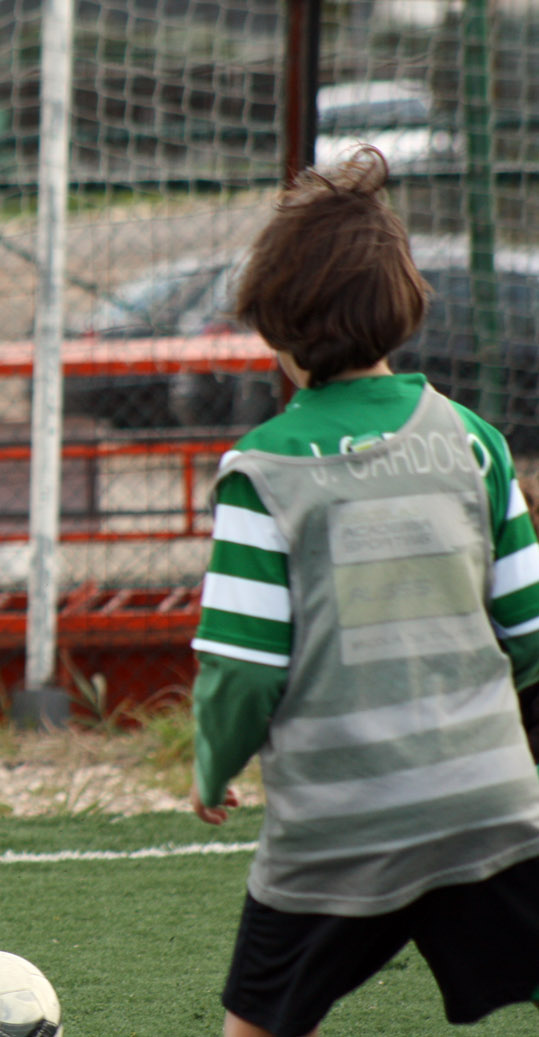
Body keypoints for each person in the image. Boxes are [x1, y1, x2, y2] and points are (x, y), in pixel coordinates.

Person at [188, 145, 539, 1037]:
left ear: (271, 321)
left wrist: (213, 765)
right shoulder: (473, 441)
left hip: (341, 823)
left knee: (259, 1025)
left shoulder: (259, 472)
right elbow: (532, 632)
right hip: (486, 805)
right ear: (403, 304)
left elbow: (242, 668)